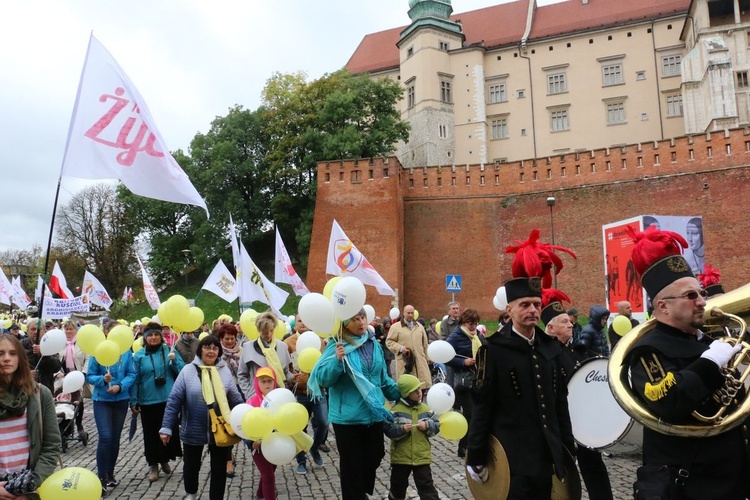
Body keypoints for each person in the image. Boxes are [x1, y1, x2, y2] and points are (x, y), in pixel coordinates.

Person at [626, 226, 749, 499]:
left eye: (701, 292)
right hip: (690, 483)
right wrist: (710, 363)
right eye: (690, 295)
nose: (702, 301)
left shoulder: (706, 342)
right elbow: (669, 402)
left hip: (731, 476)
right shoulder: (647, 350)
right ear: (663, 306)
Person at [467, 271, 574, 498]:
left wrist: (567, 451)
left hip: (546, 456)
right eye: (525, 305)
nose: (533, 310)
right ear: (509, 311)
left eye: (536, 304)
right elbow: (482, 406)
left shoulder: (550, 348)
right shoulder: (493, 350)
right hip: (511, 459)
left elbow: (559, 405)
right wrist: (476, 455)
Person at [308, 308, 400, 500]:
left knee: (376, 454)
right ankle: (356, 495)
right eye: (355, 319)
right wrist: (337, 360)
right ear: (344, 324)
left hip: (373, 413)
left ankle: (360, 492)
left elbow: (382, 378)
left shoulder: (373, 344)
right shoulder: (336, 345)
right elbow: (324, 380)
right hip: (347, 418)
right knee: (352, 467)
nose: (360, 322)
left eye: (362, 317)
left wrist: (401, 393)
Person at [543, 295, 613, 500]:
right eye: (564, 322)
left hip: (582, 418)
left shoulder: (574, 349)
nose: (570, 324)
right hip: (561, 420)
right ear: (550, 328)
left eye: (569, 320)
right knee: (562, 469)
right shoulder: (545, 354)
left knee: (593, 464)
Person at [160, 335, 243, 500]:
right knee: (191, 466)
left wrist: (246, 417)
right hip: (193, 427)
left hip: (219, 428)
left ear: (218, 352)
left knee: (219, 468)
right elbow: (174, 400)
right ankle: (191, 493)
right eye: (207, 347)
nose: (211, 351)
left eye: (214, 348)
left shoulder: (224, 371)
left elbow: (236, 399)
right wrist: (166, 427)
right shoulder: (188, 371)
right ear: (200, 350)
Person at [0, 335, 62, 497]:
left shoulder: (40, 394)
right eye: (1, 353)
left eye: (12, 353)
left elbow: (51, 444)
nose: (7, 358)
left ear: (20, 358)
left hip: (28, 486)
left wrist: (31, 484)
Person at [86, 322, 137, 494]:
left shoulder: (126, 353)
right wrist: (103, 380)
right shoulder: (97, 352)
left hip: (120, 399)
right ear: (106, 332)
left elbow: (132, 374)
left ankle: (110, 473)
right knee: (105, 437)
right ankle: (100, 477)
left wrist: (120, 386)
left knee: (115, 438)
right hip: (102, 400)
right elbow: (90, 376)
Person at [130, 323, 185, 482]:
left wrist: (174, 361)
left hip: (168, 399)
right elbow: (135, 380)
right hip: (148, 401)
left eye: (156, 334)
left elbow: (182, 371)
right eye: (150, 335)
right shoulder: (139, 356)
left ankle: (164, 460)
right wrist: (134, 400)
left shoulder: (169, 350)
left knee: (168, 432)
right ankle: (153, 464)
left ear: (160, 336)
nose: (153, 338)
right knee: (151, 434)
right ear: (145, 338)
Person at [384, 374, 440, 500]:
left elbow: (436, 425)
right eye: (414, 391)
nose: (419, 393)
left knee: (426, 485)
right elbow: (389, 430)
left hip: (421, 457)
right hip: (401, 458)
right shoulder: (396, 411)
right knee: (398, 485)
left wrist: (427, 426)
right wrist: (402, 429)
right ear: (405, 393)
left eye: (419, 389)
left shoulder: (426, 409)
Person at [283, 313, 328, 475]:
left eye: (306, 320)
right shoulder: (288, 343)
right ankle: (301, 461)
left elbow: (324, 363)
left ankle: (314, 448)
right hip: (299, 393)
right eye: (300, 321)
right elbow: (286, 367)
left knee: (323, 422)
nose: (303, 324)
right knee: (299, 428)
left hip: (318, 390)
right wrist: (291, 378)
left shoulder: (319, 341)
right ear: (294, 324)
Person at [445, 308, 485, 458]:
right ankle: (463, 446)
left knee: (476, 414)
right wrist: (463, 361)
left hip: (477, 380)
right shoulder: (456, 335)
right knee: (470, 414)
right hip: (463, 383)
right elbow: (446, 356)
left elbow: (486, 348)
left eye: (475, 323)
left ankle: (471, 444)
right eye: (470, 323)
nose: (473, 327)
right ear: (463, 322)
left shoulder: (477, 335)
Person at [236, 312, 293, 401]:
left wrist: (293, 377)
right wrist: (249, 394)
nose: (268, 335)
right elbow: (242, 374)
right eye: (265, 332)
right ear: (259, 330)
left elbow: (286, 372)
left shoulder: (282, 346)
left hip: (280, 395)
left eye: (271, 331)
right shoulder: (248, 347)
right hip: (257, 397)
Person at [246, 367, 280, 500]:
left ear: (274, 382)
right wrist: (251, 442)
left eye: (269, 381)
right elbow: (244, 427)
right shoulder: (252, 402)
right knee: (268, 475)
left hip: (276, 443)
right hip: (258, 446)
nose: (266, 384)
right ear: (257, 383)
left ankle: (261, 493)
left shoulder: (280, 399)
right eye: (263, 381)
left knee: (271, 470)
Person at [386, 305, 432, 390]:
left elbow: (425, 344)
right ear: (404, 313)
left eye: (412, 313)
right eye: (408, 313)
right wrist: (400, 348)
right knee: (408, 389)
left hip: (420, 362)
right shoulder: (396, 327)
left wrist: (427, 357)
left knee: (422, 387)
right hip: (405, 362)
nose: (410, 315)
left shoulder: (420, 327)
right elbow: (389, 342)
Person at [218, 323, 242, 477]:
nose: (229, 342)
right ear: (221, 339)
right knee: (226, 426)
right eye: (226, 339)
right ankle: (227, 460)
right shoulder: (217, 354)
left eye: (232, 339)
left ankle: (230, 452)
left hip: (239, 392)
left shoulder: (242, 352)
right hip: (223, 394)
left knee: (236, 424)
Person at [57, 320, 88, 434]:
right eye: (67, 329)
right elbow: (55, 359)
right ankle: (64, 424)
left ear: (76, 330)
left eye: (71, 329)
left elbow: (88, 358)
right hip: (63, 375)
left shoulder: (81, 343)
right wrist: (57, 373)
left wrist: (83, 373)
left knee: (77, 400)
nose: (69, 331)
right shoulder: (60, 342)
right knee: (62, 399)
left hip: (77, 375)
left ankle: (79, 425)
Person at [21, 319, 61, 396]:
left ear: (44, 331)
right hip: (25, 389)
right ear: (27, 331)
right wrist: (26, 374)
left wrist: (44, 353)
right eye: (32, 329)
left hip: (45, 389)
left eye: (39, 329)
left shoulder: (50, 345)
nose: (36, 332)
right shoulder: (21, 345)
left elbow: (56, 367)